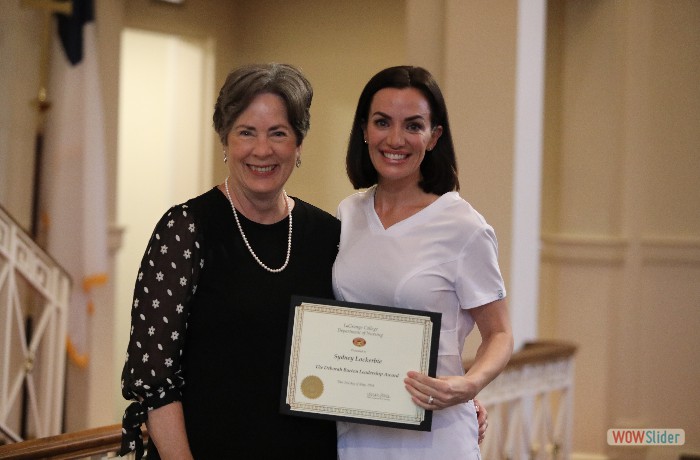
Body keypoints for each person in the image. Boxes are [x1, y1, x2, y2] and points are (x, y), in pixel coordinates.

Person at [119, 62, 489, 459]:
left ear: (298, 145)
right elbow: (154, 380)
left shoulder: (328, 233)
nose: (262, 149)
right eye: (246, 132)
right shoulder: (186, 229)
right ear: (225, 140)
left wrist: (451, 394)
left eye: (278, 133)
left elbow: (368, 333)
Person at [332, 65, 513, 459]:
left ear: (434, 137)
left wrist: (468, 386)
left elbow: (499, 334)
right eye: (382, 122)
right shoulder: (348, 214)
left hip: (433, 439)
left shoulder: (463, 226)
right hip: (355, 435)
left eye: (413, 125)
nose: (395, 139)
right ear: (364, 130)